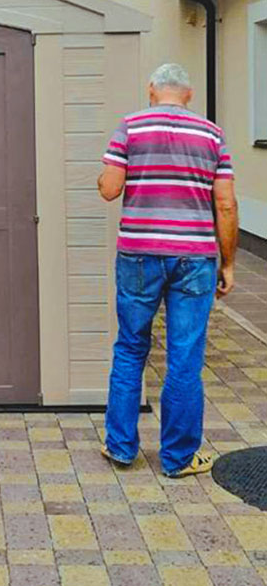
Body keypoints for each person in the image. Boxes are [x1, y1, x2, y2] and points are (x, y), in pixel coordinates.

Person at [97, 63, 238, 478]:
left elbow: (110, 190)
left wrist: (104, 178)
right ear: (188, 94)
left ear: (152, 90)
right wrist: (228, 262)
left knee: (130, 347)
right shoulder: (212, 134)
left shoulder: (130, 127)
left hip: (138, 254)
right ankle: (178, 458)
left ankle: (121, 447)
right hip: (195, 257)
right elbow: (226, 203)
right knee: (185, 356)